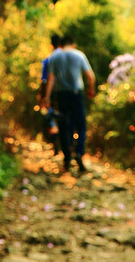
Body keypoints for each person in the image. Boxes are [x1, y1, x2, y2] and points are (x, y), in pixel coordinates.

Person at [42, 34, 95, 173]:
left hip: (61, 96)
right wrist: (91, 89)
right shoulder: (79, 55)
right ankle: (79, 152)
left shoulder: (54, 57)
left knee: (65, 126)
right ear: (73, 44)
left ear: (60, 45)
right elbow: (90, 76)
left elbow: (51, 79)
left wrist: (46, 97)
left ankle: (67, 157)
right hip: (76, 94)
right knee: (81, 125)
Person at [38, 35, 61, 149]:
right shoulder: (67, 57)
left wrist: (43, 96)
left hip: (51, 91)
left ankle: (55, 140)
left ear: (51, 44)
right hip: (66, 91)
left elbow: (44, 79)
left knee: (51, 114)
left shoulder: (49, 59)